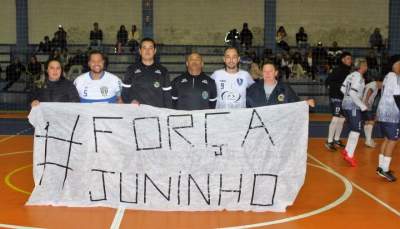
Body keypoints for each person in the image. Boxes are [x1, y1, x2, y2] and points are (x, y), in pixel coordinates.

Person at [122, 38, 172, 108]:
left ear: (155, 51)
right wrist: (130, 101)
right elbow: (124, 94)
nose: (147, 50)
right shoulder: (131, 70)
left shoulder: (163, 71)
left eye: (150, 48)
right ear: (140, 51)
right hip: (137, 114)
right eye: (144, 47)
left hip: (157, 115)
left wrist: (166, 113)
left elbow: (168, 97)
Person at [375, 55, 400, 181]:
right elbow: (397, 96)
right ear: (395, 64)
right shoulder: (395, 77)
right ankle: (385, 170)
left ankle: (381, 167)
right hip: (391, 114)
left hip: (383, 112)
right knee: (393, 140)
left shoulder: (387, 76)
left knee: (386, 139)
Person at [246, 62, 315, 107]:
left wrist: (305, 103)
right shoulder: (253, 89)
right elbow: (245, 107)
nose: (267, 74)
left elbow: (296, 104)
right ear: (262, 73)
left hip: (278, 127)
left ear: (276, 73)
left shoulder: (285, 89)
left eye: (270, 71)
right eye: (265, 71)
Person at [340, 58, 369, 167]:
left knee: (354, 129)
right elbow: (352, 93)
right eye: (365, 65)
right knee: (357, 129)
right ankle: (350, 155)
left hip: (345, 104)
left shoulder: (350, 75)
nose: (366, 67)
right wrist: (362, 106)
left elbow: (343, 89)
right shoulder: (359, 77)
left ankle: (347, 150)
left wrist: (347, 98)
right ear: (361, 66)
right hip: (353, 105)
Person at [324, 52, 352, 151]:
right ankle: (329, 141)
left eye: (350, 58)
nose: (350, 60)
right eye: (348, 58)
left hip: (343, 98)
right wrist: (334, 93)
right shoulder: (337, 70)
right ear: (343, 60)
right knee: (336, 118)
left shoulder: (348, 71)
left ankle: (336, 140)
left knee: (341, 119)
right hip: (336, 97)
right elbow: (327, 81)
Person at [362, 77, 383, 148]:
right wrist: (366, 101)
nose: (382, 88)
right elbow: (369, 91)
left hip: (363, 105)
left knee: (366, 123)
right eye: (382, 85)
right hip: (366, 105)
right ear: (380, 82)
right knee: (371, 122)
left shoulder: (370, 84)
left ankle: (368, 139)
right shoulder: (374, 85)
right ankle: (368, 141)